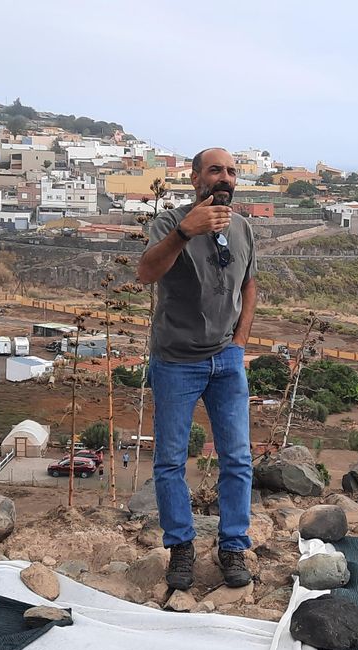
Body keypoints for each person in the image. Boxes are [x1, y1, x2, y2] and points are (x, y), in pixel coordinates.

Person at [136, 147, 257, 590]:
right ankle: (181, 549)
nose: (224, 177)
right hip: (176, 362)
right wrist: (186, 232)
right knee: (170, 461)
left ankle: (232, 547)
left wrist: (239, 343)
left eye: (231, 171)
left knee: (238, 460)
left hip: (226, 360)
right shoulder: (169, 224)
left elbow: (249, 284)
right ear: (195, 179)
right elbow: (147, 273)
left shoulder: (243, 227)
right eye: (214, 170)